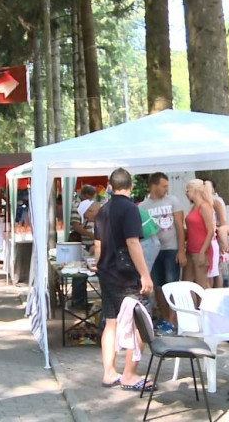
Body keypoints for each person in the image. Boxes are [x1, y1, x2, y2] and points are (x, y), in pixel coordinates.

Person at [93, 167, 155, 391]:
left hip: (106, 272)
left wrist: (99, 264)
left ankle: (109, 373)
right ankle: (130, 374)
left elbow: (98, 245)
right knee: (140, 322)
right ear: (130, 186)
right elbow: (132, 243)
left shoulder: (103, 210)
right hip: (126, 276)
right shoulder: (131, 209)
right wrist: (145, 274)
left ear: (110, 186)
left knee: (111, 322)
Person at [139, 172, 185, 335]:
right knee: (158, 286)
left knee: (172, 285)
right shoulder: (142, 206)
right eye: (163, 186)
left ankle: (172, 321)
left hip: (171, 248)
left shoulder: (173, 201)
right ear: (154, 185)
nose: (166, 189)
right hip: (154, 251)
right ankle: (165, 319)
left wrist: (181, 250)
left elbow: (180, 226)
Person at [183, 179, 216, 290]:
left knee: (201, 284)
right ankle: (191, 305)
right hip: (190, 249)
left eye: (188, 190)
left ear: (195, 190)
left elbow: (211, 230)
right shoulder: (193, 208)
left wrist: (203, 252)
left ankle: (204, 306)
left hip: (201, 249)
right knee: (187, 283)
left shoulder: (204, 206)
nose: (186, 193)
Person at [69, 185, 97, 309]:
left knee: (84, 273)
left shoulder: (88, 206)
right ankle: (78, 301)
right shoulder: (77, 207)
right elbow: (76, 226)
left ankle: (80, 300)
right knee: (80, 273)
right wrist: (92, 235)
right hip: (83, 243)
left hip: (91, 244)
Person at [208, 180, 226, 288]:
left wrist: (221, 238)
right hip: (214, 234)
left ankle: (218, 290)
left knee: (216, 269)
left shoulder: (215, 201)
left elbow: (223, 221)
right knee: (214, 269)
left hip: (216, 236)